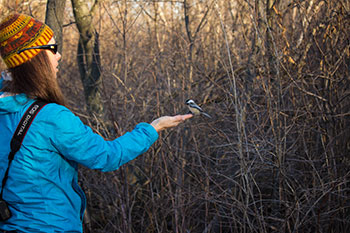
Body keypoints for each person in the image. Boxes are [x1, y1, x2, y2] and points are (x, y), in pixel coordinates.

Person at [0, 13, 192, 232]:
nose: (59, 55)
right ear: (34, 58)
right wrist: (153, 128)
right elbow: (106, 156)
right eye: (52, 49)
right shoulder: (50, 117)